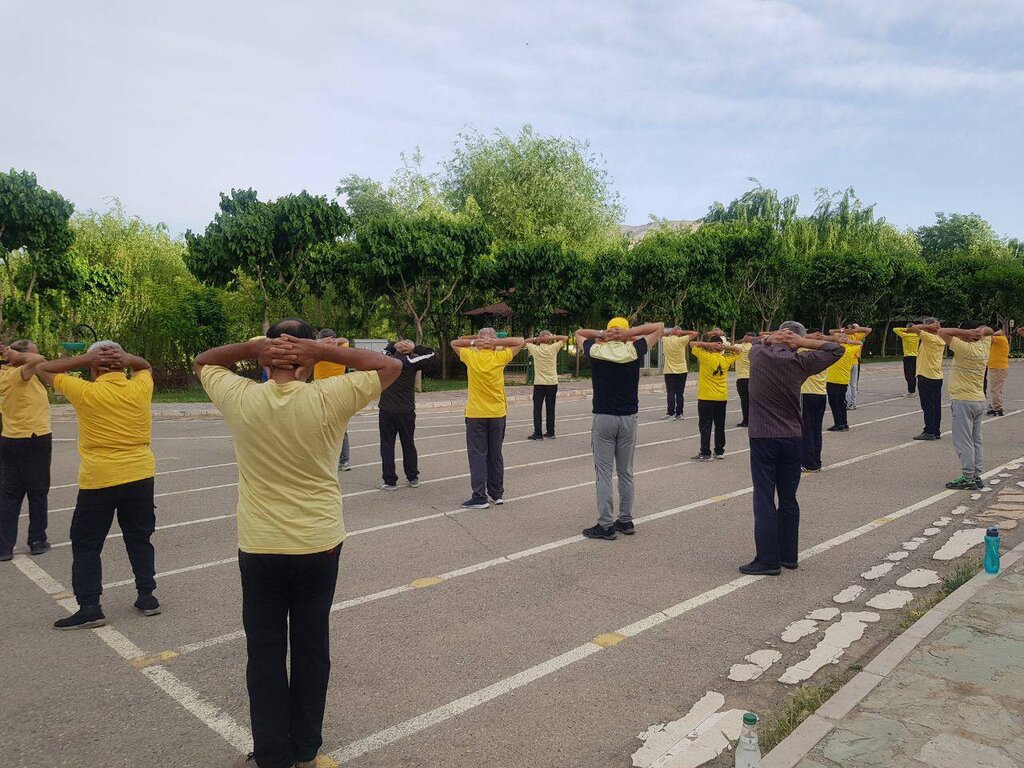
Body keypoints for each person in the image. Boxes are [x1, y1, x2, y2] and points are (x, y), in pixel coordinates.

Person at [196, 319, 401, 768]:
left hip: (260, 545)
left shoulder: (242, 397)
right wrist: (319, 350)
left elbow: (205, 361)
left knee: (265, 652)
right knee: (311, 645)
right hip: (319, 542)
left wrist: (255, 347)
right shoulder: (329, 396)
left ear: (266, 363)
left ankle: (271, 753)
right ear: (308, 361)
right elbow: (389, 366)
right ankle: (306, 744)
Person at [36, 342, 158, 630]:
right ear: (123, 365)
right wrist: (129, 357)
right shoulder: (140, 387)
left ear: (93, 367)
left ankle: (90, 606)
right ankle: (147, 596)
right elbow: (145, 366)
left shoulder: (85, 391)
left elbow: (43, 368)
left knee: (86, 544)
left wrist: (85, 358)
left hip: (100, 477)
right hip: (140, 472)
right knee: (139, 537)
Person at [738, 322, 843, 575]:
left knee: (764, 497)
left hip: (763, 436)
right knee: (788, 498)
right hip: (792, 436)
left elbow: (754, 341)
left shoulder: (758, 355)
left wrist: (774, 338)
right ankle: (788, 555)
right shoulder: (801, 362)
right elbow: (836, 350)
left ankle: (768, 560)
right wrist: (803, 343)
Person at [576, 318, 664, 540]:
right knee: (626, 472)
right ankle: (625, 520)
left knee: (604, 473)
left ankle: (605, 524)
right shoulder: (635, 350)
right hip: (628, 418)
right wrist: (629, 333)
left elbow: (579, 333)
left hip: (604, 417)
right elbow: (659, 327)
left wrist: (602, 333)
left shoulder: (596, 350)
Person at [451, 328, 525, 509]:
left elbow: (454, 342)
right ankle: (497, 493)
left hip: (476, 414)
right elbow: (520, 341)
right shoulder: (501, 356)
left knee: (477, 456)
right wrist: (496, 343)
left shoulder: (471, 355)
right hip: (497, 413)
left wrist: (474, 342)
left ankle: (479, 497)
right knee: (495, 455)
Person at [0, 340, 53, 561]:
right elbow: (38, 360)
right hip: (33, 437)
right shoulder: (18, 374)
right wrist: (15, 354)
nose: (38, 355)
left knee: (9, 494)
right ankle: (37, 539)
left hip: (10, 437)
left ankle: (4, 547)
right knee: (38, 492)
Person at [937, 322, 994, 490]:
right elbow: (990, 331)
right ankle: (976, 474)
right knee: (976, 439)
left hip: (963, 400)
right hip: (978, 399)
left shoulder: (963, 348)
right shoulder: (984, 345)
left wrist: (966, 332)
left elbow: (941, 331)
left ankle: (968, 477)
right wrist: (981, 331)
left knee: (963, 441)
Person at [377, 339, 436, 490]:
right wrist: (415, 347)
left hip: (387, 410)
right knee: (408, 444)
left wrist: (394, 345)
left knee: (387, 445)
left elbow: (384, 351)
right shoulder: (412, 361)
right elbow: (432, 354)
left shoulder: (386, 360)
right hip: (405, 411)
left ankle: (390, 481)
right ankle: (412, 477)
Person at [690, 329, 741, 460]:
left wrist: (707, 345)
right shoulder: (726, 359)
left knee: (705, 426)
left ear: (710, 346)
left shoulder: (705, 356)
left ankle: (705, 452)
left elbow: (692, 344)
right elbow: (738, 350)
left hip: (706, 397)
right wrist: (725, 346)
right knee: (720, 425)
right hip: (721, 397)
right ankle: (719, 451)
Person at [314, 329, 352, 471]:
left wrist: (321, 342)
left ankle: (326, 461)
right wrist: (335, 341)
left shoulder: (317, 350)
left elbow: (308, 344)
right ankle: (344, 461)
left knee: (321, 428)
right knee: (342, 429)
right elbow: (344, 339)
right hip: (340, 392)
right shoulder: (342, 348)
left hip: (321, 393)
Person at [907, 319, 947, 440]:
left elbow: (911, 327)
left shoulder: (929, 338)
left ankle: (929, 430)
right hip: (937, 376)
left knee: (928, 405)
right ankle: (936, 430)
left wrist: (928, 326)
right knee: (936, 405)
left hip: (926, 375)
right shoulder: (941, 339)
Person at [524, 331, 568, 439]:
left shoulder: (535, 349)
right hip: (552, 383)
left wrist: (536, 339)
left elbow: (524, 341)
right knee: (550, 408)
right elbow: (565, 337)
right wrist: (551, 337)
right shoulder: (553, 348)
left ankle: (538, 433)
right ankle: (550, 432)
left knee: (537, 409)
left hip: (539, 383)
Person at [799, 332, 831, 473]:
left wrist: (807, 337)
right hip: (821, 394)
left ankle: (809, 463)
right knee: (816, 430)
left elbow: (795, 341)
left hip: (807, 394)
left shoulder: (804, 352)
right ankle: (816, 460)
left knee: (806, 430)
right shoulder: (825, 354)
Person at [825, 334, 862, 432]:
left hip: (833, 379)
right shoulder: (851, 349)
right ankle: (844, 423)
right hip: (844, 380)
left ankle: (838, 424)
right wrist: (849, 341)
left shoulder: (834, 349)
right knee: (841, 402)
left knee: (834, 403)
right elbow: (860, 343)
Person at [660, 326, 698, 421]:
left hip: (669, 371)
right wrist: (681, 332)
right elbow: (695, 333)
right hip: (682, 370)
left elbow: (659, 335)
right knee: (680, 393)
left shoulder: (666, 340)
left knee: (671, 393)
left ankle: (671, 413)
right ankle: (679, 413)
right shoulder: (682, 340)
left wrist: (671, 332)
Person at [832, 324, 871, 410]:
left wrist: (842, 331)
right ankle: (852, 403)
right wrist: (857, 329)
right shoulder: (855, 335)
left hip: (848, 361)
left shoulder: (844, 335)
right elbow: (869, 330)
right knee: (853, 384)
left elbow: (831, 332)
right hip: (854, 361)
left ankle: (849, 403)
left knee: (848, 384)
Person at [734, 332, 756, 427]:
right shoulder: (755, 348)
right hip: (753, 377)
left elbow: (733, 344)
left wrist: (743, 340)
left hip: (742, 377)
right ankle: (755, 420)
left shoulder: (738, 346)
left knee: (744, 400)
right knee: (754, 400)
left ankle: (746, 420)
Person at [893, 323, 920, 397]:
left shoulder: (905, 335)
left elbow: (895, 329)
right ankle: (912, 391)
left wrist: (907, 330)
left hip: (908, 356)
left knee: (908, 375)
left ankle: (911, 392)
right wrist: (913, 329)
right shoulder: (917, 335)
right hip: (916, 356)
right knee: (914, 375)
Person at [986, 329, 1009, 417]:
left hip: (998, 367)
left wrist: (987, 332)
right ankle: (996, 405)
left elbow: (992, 336)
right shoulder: (1000, 339)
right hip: (997, 366)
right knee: (997, 388)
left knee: (995, 389)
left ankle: (997, 408)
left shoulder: (999, 338)